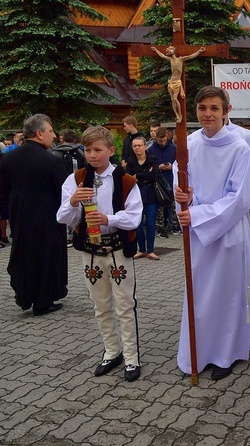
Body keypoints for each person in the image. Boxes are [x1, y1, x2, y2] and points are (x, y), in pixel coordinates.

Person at [174, 86, 250, 380]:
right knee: (200, 294)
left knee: (227, 294)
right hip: (199, 233)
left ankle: (226, 353)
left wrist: (198, 214)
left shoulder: (238, 146)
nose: (208, 114)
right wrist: (183, 197)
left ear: (226, 111)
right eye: (202, 108)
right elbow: (182, 183)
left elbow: (240, 196)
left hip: (226, 231)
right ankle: (199, 350)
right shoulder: (188, 145)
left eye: (214, 108)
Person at [57, 125, 143, 381]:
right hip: (91, 251)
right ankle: (111, 351)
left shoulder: (126, 179)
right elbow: (63, 217)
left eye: (98, 149)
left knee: (125, 305)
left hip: (117, 248)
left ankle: (131, 357)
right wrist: (73, 202)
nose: (92, 155)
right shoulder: (76, 179)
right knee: (101, 305)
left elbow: (134, 217)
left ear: (111, 150)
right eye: (87, 149)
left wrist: (109, 218)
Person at [0, 114, 68, 316]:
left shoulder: (8, 158)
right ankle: (43, 300)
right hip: (48, 217)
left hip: (19, 216)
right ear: (39, 134)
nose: (54, 136)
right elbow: (64, 191)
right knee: (47, 256)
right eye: (50, 131)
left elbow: (3, 190)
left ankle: (25, 294)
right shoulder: (51, 160)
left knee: (23, 254)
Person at [125, 136, 161, 260]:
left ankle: (150, 250)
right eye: (135, 146)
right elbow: (129, 178)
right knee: (137, 225)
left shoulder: (153, 159)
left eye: (139, 145)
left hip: (151, 196)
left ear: (145, 146)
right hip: (136, 196)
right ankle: (141, 249)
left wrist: (138, 175)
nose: (137, 148)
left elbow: (154, 175)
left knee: (151, 224)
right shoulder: (130, 161)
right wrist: (144, 176)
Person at [151, 45, 206, 124]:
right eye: (169, 50)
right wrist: (155, 50)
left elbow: (191, 56)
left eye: (171, 49)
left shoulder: (180, 59)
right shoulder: (170, 59)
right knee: (172, 99)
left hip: (177, 82)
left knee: (175, 98)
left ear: (174, 51)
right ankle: (176, 115)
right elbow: (162, 56)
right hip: (171, 82)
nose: (169, 51)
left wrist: (199, 51)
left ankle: (180, 115)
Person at [148, 127, 177, 237]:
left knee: (172, 204)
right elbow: (149, 165)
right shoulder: (151, 150)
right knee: (159, 206)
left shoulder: (173, 148)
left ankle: (174, 225)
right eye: (161, 141)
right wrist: (158, 167)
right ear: (156, 139)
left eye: (164, 140)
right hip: (158, 181)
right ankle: (160, 227)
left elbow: (178, 163)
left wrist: (172, 166)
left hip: (170, 178)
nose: (163, 143)